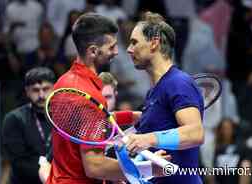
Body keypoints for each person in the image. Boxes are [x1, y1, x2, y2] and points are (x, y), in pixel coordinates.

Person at [46, 13, 167, 184]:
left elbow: (84, 123)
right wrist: (150, 169)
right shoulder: (90, 97)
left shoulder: (64, 82)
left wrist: (132, 116)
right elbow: (95, 167)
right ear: (93, 51)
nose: (116, 52)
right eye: (111, 47)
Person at [124, 11, 205, 184]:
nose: (129, 49)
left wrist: (147, 139)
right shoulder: (153, 92)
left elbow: (195, 133)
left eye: (134, 42)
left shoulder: (178, 83)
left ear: (154, 43)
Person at [2, 67, 55, 184]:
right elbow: (19, 163)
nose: (41, 95)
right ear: (27, 92)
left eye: (46, 89)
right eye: (35, 90)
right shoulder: (14, 119)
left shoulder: (63, 117)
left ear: (54, 88)